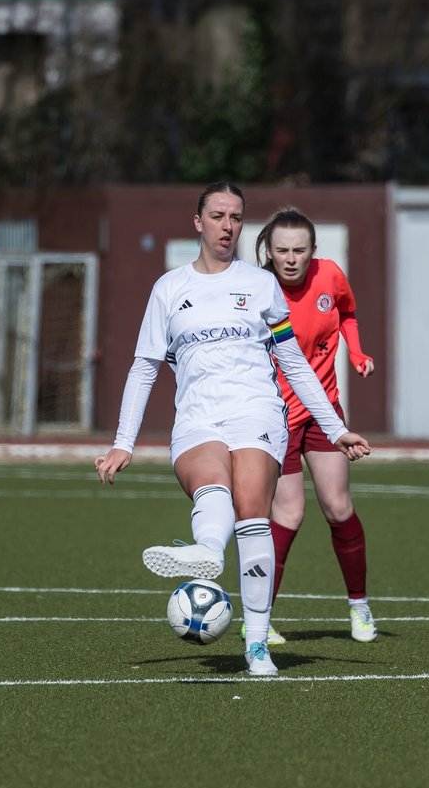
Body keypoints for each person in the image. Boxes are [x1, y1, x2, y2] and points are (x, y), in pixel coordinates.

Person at [94, 183, 371, 677]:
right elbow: (144, 368)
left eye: (236, 217)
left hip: (257, 410)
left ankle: (258, 646)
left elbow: (292, 360)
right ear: (197, 222)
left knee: (251, 509)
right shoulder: (169, 289)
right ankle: (205, 550)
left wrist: (336, 427)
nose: (227, 225)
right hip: (197, 415)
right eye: (218, 215)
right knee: (211, 485)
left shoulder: (259, 285)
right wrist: (123, 443)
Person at [252, 207, 377, 644]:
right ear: (269, 251)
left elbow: (347, 313)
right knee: (288, 512)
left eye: (299, 250)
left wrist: (357, 353)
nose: (291, 258)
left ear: (313, 251)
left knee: (339, 508)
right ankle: (261, 618)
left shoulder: (330, 276)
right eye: (282, 250)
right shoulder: (255, 288)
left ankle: (359, 606)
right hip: (277, 416)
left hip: (325, 412)